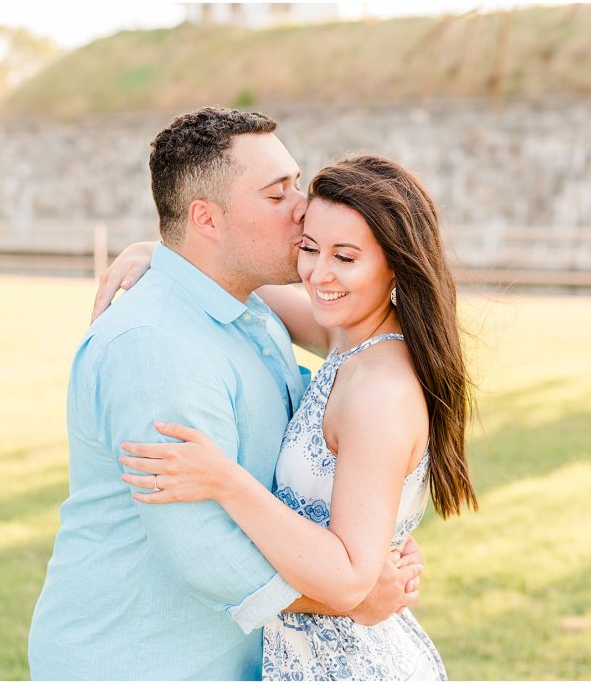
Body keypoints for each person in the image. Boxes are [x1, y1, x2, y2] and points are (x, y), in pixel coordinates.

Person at [27, 107, 423, 681]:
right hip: (141, 661)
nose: (302, 208)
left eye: (296, 184)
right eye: (276, 194)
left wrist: (378, 537)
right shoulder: (155, 345)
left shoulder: (253, 311)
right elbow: (202, 550)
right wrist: (350, 594)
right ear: (207, 220)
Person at [100, 154, 478, 680]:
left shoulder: (378, 390)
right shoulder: (350, 336)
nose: (318, 275)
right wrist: (166, 256)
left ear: (394, 262)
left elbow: (349, 577)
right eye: (309, 248)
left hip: (351, 666)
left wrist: (224, 481)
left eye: (345, 257)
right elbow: (249, 289)